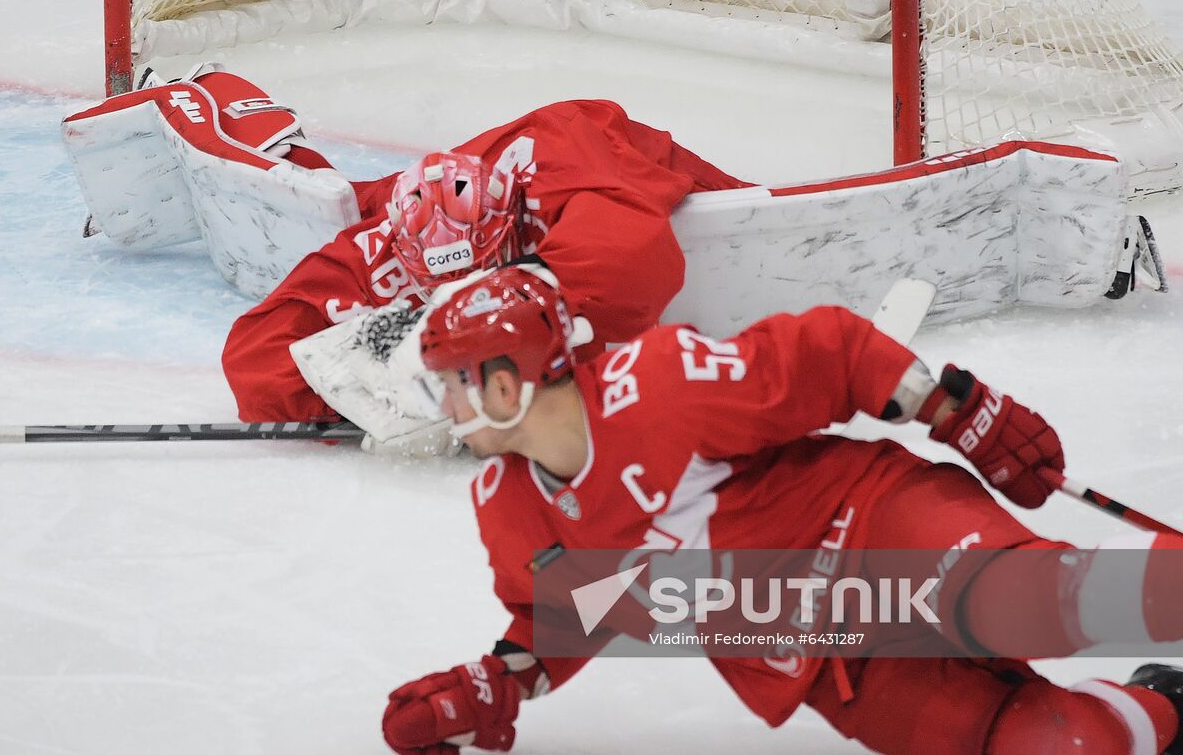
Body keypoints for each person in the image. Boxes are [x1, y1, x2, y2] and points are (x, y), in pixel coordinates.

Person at [380, 264, 1183, 755]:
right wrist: (496, 686)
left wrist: (959, 413)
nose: (441, 405)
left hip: (868, 527)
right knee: (1055, 745)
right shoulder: (507, 507)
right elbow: (567, 618)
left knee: (1028, 606)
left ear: (504, 383)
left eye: (449, 381)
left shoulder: (656, 389)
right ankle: (1168, 704)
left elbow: (829, 353)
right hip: (813, 650)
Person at [222, 98, 750, 452]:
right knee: (337, 193)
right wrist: (385, 383)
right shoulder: (383, 241)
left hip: (596, 142)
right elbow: (254, 359)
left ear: (513, 221)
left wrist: (501, 343)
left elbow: (632, 265)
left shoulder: (564, 178)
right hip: (433, 195)